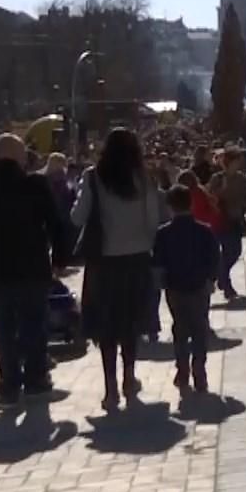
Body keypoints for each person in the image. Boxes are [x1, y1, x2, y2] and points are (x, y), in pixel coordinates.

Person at [0, 134, 68, 403]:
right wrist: (59, 260)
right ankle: (36, 378)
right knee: (34, 325)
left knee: (3, 329)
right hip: (32, 268)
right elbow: (56, 224)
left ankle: (9, 382)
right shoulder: (35, 185)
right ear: (19, 156)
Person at [73, 128, 170, 411]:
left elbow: (77, 217)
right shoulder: (144, 179)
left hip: (103, 262)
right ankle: (129, 376)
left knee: (106, 327)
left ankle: (110, 387)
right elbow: (153, 221)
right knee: (130, 324)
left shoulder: (93, 177)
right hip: (136, 259)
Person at [153, 183, 220, 395]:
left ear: (170, 206)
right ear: (191, 204)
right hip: (199, 286)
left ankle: (182, 371)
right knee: (200, 328)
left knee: (180, 329)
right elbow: (214, 257)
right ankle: (199, 368)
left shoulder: (163, 233)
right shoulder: (204, 230)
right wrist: (211, 279)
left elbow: (158, 263)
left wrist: (160, 282)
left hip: (175, 287)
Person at [212, 148, 246, 301]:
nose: (240, 163)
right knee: (228, 251)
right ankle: (226, 284)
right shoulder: (218, 178)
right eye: (237, 160)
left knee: (235, 252)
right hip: (222, 219)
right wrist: (222, 188)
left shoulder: (241, 178)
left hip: (236, 219)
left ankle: (221, 275)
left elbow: (245, 196)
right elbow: (211, 196)